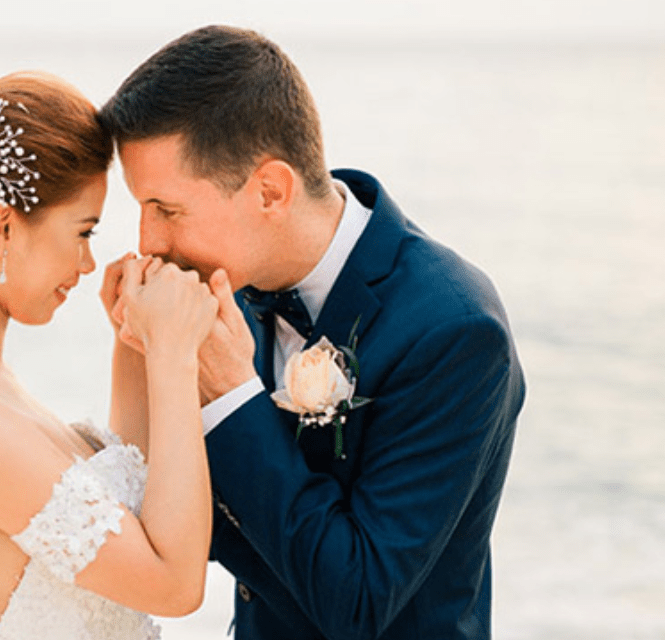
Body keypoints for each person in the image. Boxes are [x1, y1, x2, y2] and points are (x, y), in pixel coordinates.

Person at [99, 25, 527, 640]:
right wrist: (144, 354)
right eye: (140, 209)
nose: (148, 243)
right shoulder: (224, 296)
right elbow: (184, 533)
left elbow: (356, 604)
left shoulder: (455, 329)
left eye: (166, 209)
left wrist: (229, 392)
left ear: (271, 191)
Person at [0, 71, 217, 640]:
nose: (88, 264)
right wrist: (175, 358)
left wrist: (134, 347)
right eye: (83, 232)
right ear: (5, 227)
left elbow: (130, 513)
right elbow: (174, 585)